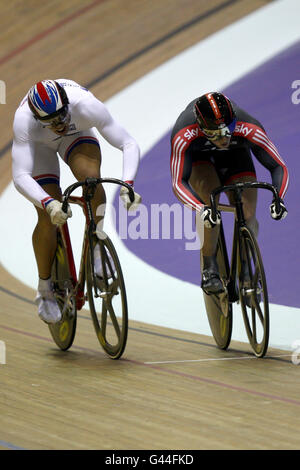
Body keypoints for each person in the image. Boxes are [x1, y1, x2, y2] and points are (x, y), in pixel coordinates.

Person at [12, 79, 141, 324]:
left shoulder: (86, 106)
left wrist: (129, 184)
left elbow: (128, 142)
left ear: (67, 105)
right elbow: (20, 176)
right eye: (50, 122)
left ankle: (95, 247)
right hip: (40, 148)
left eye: (61, 117)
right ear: (38, 118)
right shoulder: (24, 120)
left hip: (77, 134)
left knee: (92, 181)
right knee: (47, 217)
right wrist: (48, 202)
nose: (58, 125)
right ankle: (44, 288)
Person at [170, 92, 288, 294]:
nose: (223, 138)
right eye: (215, 134)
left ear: (234, 122)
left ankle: (244, 268)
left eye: (228, 130)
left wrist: (279, 198)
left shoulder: (249, 127)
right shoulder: (184, 134)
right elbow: (178, 182)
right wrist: (201, 208)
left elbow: (279, 167)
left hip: (236, 156)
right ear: (201, 127)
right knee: (211, 203)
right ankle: (210, 267)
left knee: (248, 214)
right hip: (200, 159)